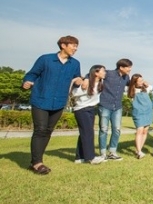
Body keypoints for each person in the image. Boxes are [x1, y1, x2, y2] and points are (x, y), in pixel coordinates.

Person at [22, 35, 82, 174]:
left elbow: (76, 78)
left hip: (59, 102)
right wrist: (27, 81)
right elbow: (32, 74)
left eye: (76, 46)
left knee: (48, 131)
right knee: (40, 129)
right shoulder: (45, 59)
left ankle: (36, 161)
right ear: (63, 45)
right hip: (41, 99)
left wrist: (79, 80)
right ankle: (37, 163)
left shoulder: (75, 63)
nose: (75, 48)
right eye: (73, 45)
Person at [96, 58, 133, 161]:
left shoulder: (126, 77)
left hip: (117, 107)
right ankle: (103, 153)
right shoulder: (108, 73)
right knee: (103, 129)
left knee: (116, 129)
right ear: (121, 67)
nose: (130, 69)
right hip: (105, 104)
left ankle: (112, 152)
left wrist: (141, 82)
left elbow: (131, 84)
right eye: (128, 67)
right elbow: (94, 73)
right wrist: (85, 79)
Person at [73, 65, 106, 165]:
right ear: (96, 73)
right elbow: (74, 93)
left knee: (84, 133)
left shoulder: (100, 83)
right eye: (103, 71)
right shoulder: (86, 83)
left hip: (91, 109)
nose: (105, 73)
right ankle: (90, 157)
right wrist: (86, 80)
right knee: (88, 133)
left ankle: (79, 157)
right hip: (81, 109)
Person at [128, 74, 153, 159]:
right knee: (139, 130)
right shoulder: (132, 90)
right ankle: (139, 152)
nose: (141, 82)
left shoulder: (145, 89)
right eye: (139, 81)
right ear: (134, 82)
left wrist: (147, 84)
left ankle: (139, 150)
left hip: (148, 112)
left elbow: (152, 87)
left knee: (145, 131)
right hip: (138, 112)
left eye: (142, 80)